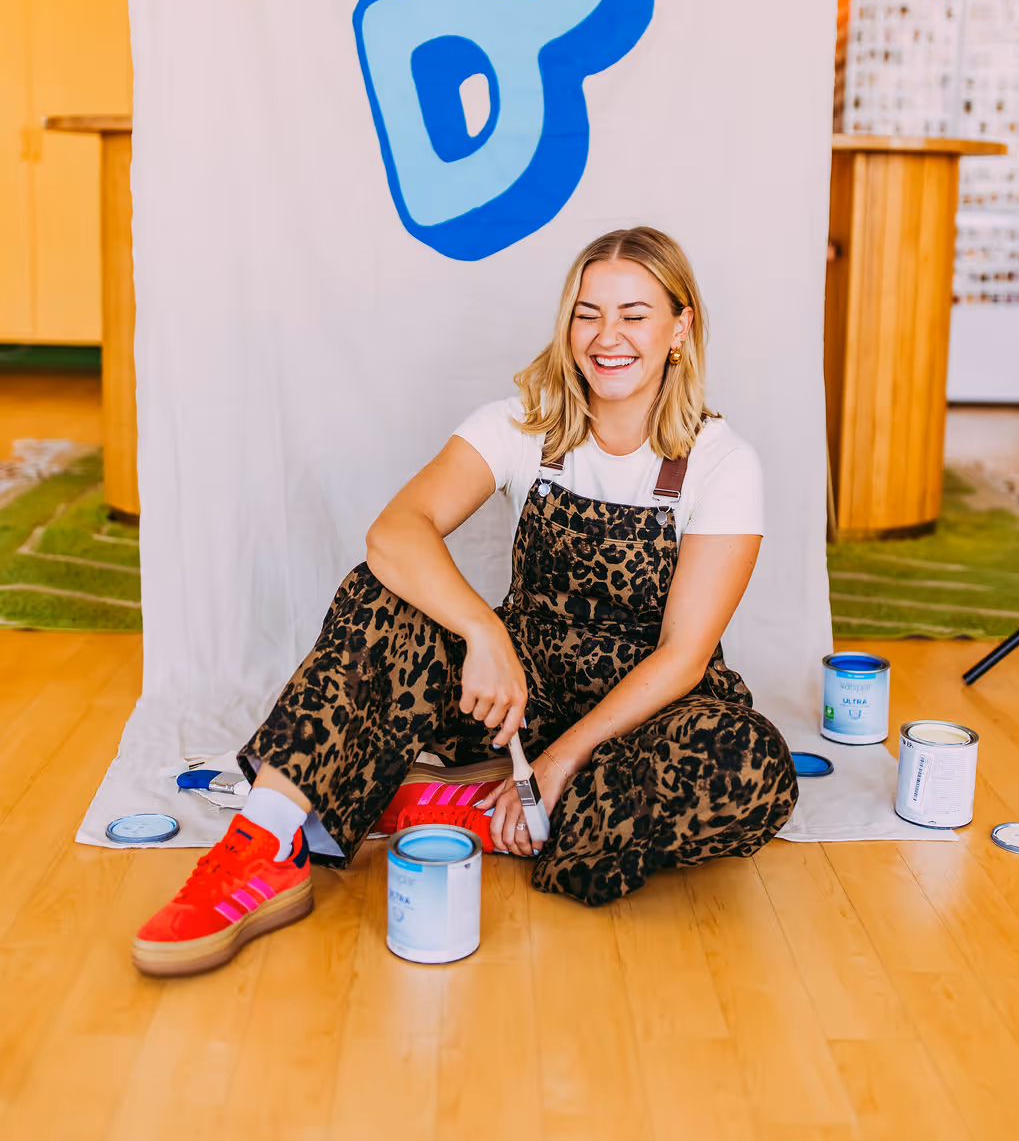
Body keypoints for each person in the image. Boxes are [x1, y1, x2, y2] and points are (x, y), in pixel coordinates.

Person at [132, 226, 797, 977]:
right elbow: (395, 532)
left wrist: (558, 760)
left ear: (680, 328)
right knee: (383, 594)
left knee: (751, 765)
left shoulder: (722, 462)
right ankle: (263, 845)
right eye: (588, 312)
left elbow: (684, 653)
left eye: (634, 314)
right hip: (518, 700)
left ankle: (474, 799)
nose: (607, 336)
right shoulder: (528, 420)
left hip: (642, 722)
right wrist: (485, 631)